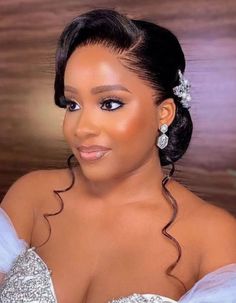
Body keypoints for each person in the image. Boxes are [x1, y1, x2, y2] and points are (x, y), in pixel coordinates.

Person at [0, 8, 235, 303]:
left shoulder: (214, 237)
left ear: (164, 114)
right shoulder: (31, 197)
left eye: (110, 103)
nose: (81, 128)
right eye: (72, 104)